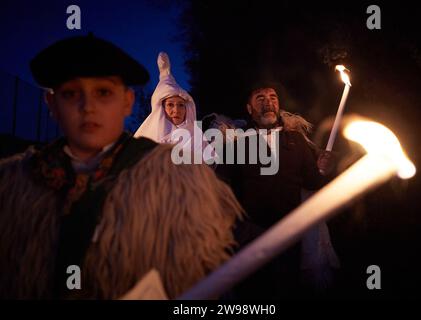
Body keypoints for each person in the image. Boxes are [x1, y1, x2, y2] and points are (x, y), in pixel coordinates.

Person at [0, 34, 242, 299]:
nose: (88, 107)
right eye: (71, 93)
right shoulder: (12, 188)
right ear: (52, 103)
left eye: (103, 92)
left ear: (127, 101)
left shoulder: (178, 180)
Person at [215, 82, 339, 299]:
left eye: (272, 97)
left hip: (288, 234)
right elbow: (221, 185)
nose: (268, 103)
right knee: (252, 294)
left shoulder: (296, 140)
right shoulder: (236, 143)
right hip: (249, 235)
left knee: (287, 290)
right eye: (260, 98)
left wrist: (326, 168)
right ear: (249, 108)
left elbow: (313, 182)